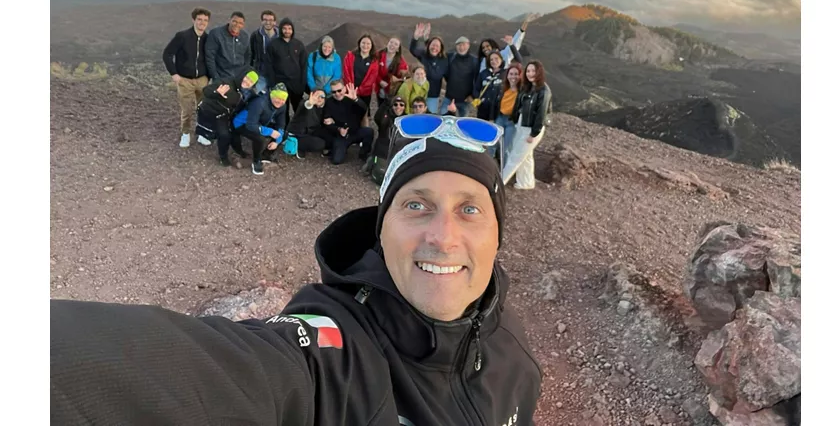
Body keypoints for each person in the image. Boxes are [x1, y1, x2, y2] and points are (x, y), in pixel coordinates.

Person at [51, 116, 543, 426]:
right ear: (381, 229)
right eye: (416, 205)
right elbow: (219, 375)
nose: (443, 236)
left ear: (498, 234)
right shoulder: (331, 359)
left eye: (470, 210)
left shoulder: (513, 349)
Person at [162, 7, 212, 148]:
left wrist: (208, 76)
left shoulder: (207, 39)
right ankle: (185, 134)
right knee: (187, 109)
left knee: (203, 107)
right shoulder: (182, 36)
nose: (202, 22)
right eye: (199, 19)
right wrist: (174, 74)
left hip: (202, 79)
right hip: (185, 80)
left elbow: (210, 58)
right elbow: (167, 54)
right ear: (193, 20)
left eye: (205, 20)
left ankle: (201, 133)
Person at [502, 60, 552, 189]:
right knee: (526, 155)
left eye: (533, 71)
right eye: (528, 71)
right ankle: (526, 182)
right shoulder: (528, 87)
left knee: (515, 155)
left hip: (531, 128)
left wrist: (533, 133)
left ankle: (499, 183)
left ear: (539, 72)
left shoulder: (543, 91)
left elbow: (541, 114)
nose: (530, 74)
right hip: (521, 124)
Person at [196, 67, 257, 166]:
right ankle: (223, 157)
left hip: (226, 114)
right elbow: (206, 90)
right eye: (247, 78)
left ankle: (239, 151)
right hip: (213, 112)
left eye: (251, 82)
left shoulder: (245, 92)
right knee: (224, 135)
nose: (248, 82)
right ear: (242, 75)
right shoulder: (226, 82)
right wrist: (217, 93)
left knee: (235, 130)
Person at [232, 84, 288, 175]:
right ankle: (256, 161)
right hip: (241, 123)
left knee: (283, 134)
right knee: (260, 138)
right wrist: (270, 131)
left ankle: (265, 155)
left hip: (260, 121)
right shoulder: (259, 103)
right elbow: (251, 125)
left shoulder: (282, 106)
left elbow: (281, 124)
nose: (280, 101)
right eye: (277, 97)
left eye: (283, 99)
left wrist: (277, 141)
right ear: (271, 95)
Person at [321, 81, 374, 165]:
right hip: (341, 135)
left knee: (369, 131)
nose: (337, 94)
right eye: (334, 92)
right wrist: (338, 129)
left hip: (355, 131)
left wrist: (356, 99)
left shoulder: (351, 98)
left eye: (339, 90)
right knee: (336, 160)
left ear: (344, 89)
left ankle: (364, 153)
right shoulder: (329, 102)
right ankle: (336, 148)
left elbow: (364, 109)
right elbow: (327, 122)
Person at [267, 17, 307, 123]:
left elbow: (304, 65)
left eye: (289, 28)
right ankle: (283, 131)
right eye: (284, 28)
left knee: (298, 108)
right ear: (281, 29)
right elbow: (269, 65)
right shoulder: (273, 44)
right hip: (280, 82)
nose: (287, 31)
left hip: (295, 82)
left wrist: (302, 84)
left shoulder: (298, 44)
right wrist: (272, 83)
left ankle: (300, 129)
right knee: (282, 110)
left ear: (293, 30)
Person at [361, 95, 406, 180]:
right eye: (395, 104)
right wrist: (385, 104)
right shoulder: (386, 117)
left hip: (397, 152)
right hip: (383, 151)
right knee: (381, 176)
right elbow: (377, 118)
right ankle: (372, 161)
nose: (398, 107)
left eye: (401, 105)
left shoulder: (406, 120)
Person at [409, 22, 449, 114]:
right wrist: (415, 38)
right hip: (419, 92)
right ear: (428, 46)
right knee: (416, 116)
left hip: (433, 95)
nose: (434, 47)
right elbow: (413, 50)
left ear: (441, 48)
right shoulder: (423, 55)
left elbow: (443, 75)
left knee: (431, 118)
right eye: (433, 45)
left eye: (437, 46)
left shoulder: (444, 60)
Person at [287, 89, 335, 158]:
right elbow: (305, 105)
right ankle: (298, 145)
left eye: (322, 96)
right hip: (299, 133)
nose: (319, 98)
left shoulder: (324, 106)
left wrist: (332, 120)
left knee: (330, 137)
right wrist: (310, 103)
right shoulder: (306, 103)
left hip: (312, 130)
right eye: (317, 96)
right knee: (320, 144)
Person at [204, 11, 251, 82]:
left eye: (240, 23)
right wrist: (215, 77)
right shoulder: (216, 34)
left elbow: (247, 56)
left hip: (239, 78)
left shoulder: (245, 36)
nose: (237, 25)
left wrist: (244, 74)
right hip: (221, 77)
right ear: (229, 20)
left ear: (243, 25)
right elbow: (210, 57)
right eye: (234, 21)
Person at [343, 34, 380, 117]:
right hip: (349, 90)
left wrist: (358, 91)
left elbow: (371, 79)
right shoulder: (350, 56)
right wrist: (351, 89)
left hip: (365, 93)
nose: (365, 46)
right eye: (363, 43)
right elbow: (346, 72)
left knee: (363, 113)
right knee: (349, 112)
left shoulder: (374, 60)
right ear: (359, 44)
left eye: (368, 44)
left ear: (371, 46)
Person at [443, 36, 478, 117]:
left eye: (464, 45)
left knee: (461, 124)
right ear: (456, 46)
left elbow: (477, 80)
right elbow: (436, 55)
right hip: (449, 98)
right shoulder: (450, 57)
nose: (461, 47)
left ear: (468, 45)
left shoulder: (474, 61)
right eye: (459, 45)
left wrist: (473, 95)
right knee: (444, 120)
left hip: (465, 100)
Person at [248, 10, 278, 94]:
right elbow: (251, 54)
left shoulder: (280, 37)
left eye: (271, 20)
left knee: (277, 99)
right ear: (261, 21)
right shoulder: (255, 35)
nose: (268, 22)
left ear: (275, 22)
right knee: (256, 96)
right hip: (261, 73)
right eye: (265, 19)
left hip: (277, 75)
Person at [472, 51, 507, 121]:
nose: (494, 61)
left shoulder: (506, 73)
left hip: (499, 110)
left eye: (496, 58)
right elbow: (476, 89)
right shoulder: (483, 73)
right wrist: (478, 99)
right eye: (491, 59)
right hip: (484, 109)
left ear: (501, 59)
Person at [376, 36, 408, 107]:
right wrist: (380, 81)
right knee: (381, 108)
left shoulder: (401, 61)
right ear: (387, 44)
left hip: (392, 90)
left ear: (398, 49)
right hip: (380, 88)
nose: (392, 45)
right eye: (391, 42)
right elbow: (373, 71)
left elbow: (404, 75)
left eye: (396, 44)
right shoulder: (379, 55)